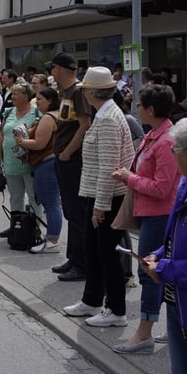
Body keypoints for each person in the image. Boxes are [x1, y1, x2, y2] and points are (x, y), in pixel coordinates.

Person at [110, 84, 180, 354]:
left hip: (160, 214)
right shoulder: (156, 135)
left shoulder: (166, 140)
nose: (136, 107)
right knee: (156, 270)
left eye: (139, 104)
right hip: (152, 213)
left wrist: (130, 178)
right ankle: (166, 326)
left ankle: (144, 333)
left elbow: (162, 188)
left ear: (151, 109)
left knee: (149, 270)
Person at [62, 66, 134, 328]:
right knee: (94, 250)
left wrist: (100, 206)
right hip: (100, 194)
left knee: (106, 253)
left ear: (93, 93)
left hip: (107, 197)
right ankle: (91, 300)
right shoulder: (106, 114)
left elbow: (109, 168)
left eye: (84, 91)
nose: (82, 95)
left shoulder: (107, 119)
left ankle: (116, 310)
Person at [142, 115, 187, 374]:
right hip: (178, 305)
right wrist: (158, 254)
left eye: (176, 149)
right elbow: (176, 240)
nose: (173, 154)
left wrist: (165, 269)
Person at [48, 51, 92, 283]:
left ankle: (82, 263)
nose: (51, 73)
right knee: (70, 210)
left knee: (76, 212)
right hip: (64, 158)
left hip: (72, 160)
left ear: (58, 69)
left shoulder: (78, 91)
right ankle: (73, 258)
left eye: (52, 68)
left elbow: (85, 125)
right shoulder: (66, 92)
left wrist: (67, 151)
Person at [15, 87, 62, 253]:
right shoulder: (57, 114)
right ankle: (52, 238)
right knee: (52, 203)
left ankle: (52, 240)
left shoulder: (48, 118)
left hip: (46, 164)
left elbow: (39, 144)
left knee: (50, 203)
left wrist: (21, 140)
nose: (37, 102)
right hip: (51, 162)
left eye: (40, 99)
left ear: (50, 101)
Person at [0, 84, 43, 227]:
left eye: (16, 94)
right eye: (12, 94)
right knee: (15, 196)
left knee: (33, 196)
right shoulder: (9, 112)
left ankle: (35, 227)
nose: (12, 97)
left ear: (26, 96)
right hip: (10, 162)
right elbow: (2, 136)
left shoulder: (36, 113)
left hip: (29, 162)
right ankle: (16, 226)